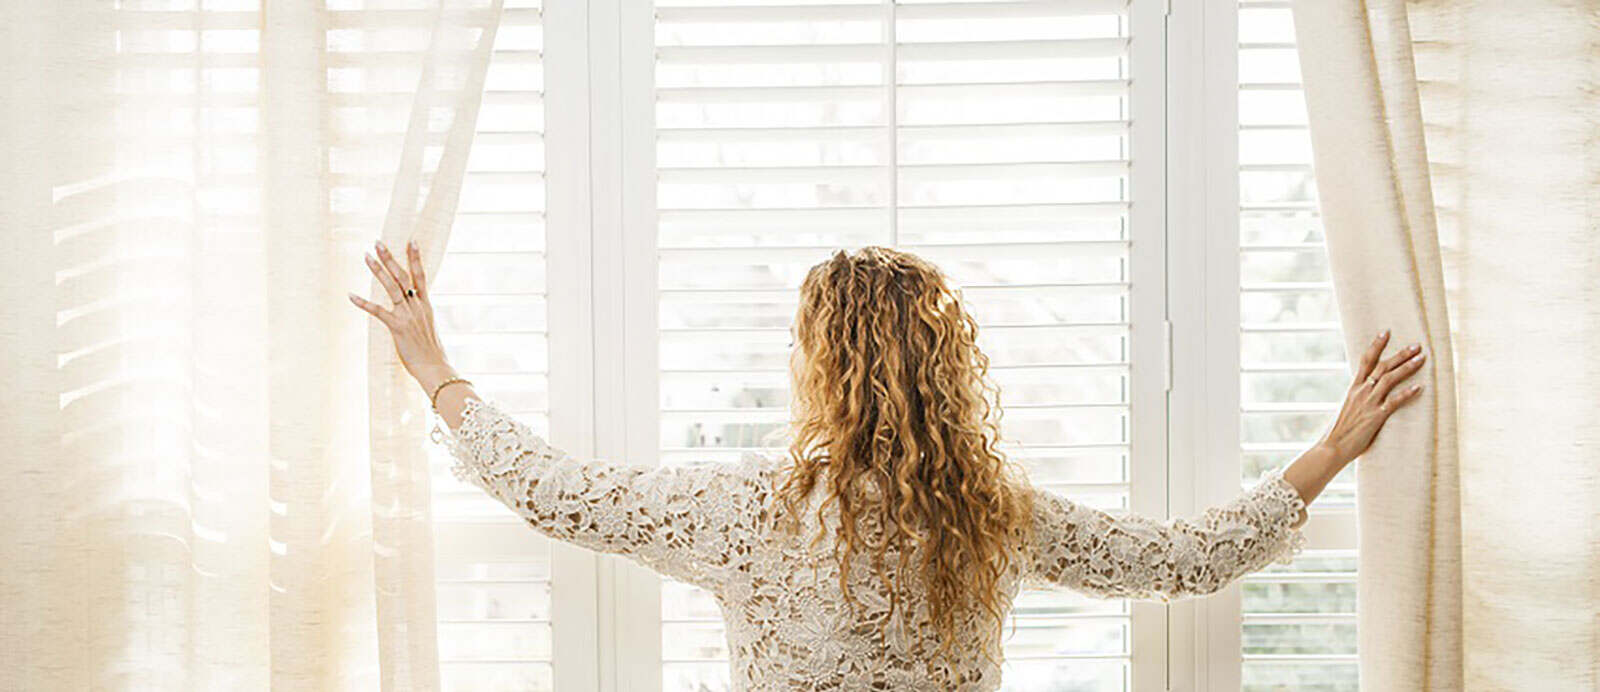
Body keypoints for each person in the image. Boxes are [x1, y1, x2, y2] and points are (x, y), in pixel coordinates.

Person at [349, 240, 1426, 690]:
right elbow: (1183, 556)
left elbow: (555, 491)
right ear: (946, 373)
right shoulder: (993, 514)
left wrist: (434, 367)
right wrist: (1330, 446)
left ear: (820, 369)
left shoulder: (746, 510)